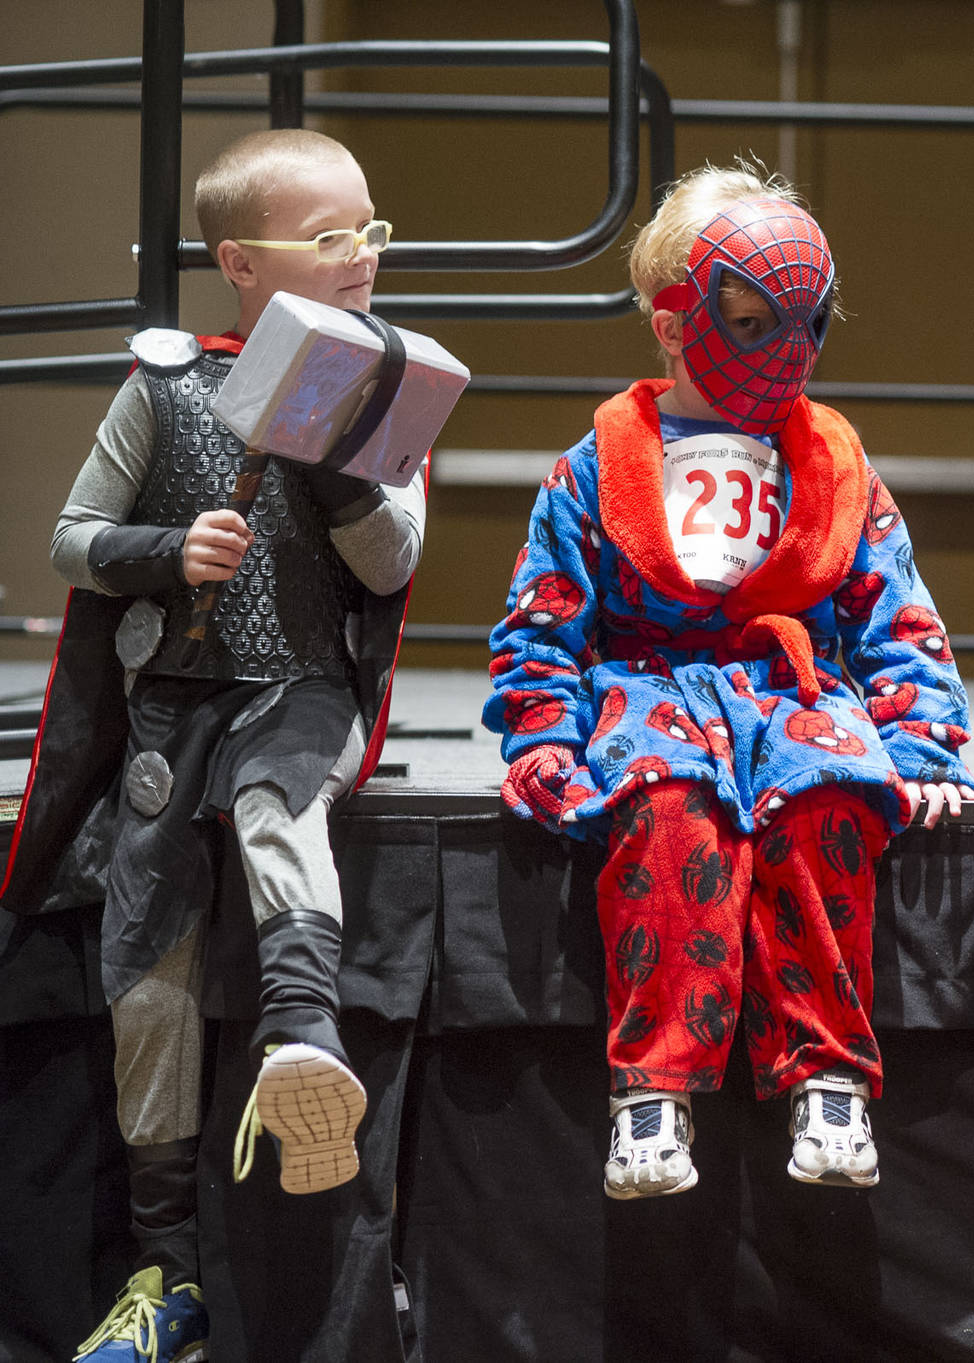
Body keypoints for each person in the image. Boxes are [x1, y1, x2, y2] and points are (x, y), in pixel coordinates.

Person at [0, 128, 425, 1360]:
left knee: (275, 809)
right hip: (168, 706)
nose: (363, 256)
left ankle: (306, 1032)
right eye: (330, 236)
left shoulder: (385, 386)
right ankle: (163, 1272)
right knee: (148, 975)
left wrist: (329, 445)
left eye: (372, 230)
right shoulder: (165, 386)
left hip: (297, 694)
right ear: (241, 262)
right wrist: (164, 548)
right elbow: (74, 538)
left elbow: (390, 559)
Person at [483, 162, 974, 1200]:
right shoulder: (601, 460)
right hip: (652, 687)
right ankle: (653, 1089)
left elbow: (890, 601)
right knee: (666, 813)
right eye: (751, 321)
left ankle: (828, 1072)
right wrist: (540, 734)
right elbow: (546, 609)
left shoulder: (832, 461)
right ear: (674, 323)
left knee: (826, 803)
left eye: (804, 323)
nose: (783, 351)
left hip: (785, 690)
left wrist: (921, 732)